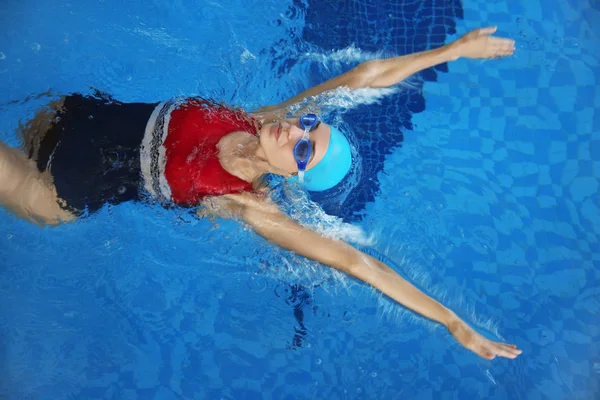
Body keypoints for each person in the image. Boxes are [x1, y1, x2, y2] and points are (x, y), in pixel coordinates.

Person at [0, 27, 522, 360]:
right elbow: (364, 77)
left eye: (303, 151)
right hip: (76, 119)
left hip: (68, 177)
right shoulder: (260, 117)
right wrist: (452, 50)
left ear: (294, 179)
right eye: (308, 125)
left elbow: (361, 266)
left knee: (46, 208)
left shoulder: (250, 204)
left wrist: (453, 321)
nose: (295, 132)